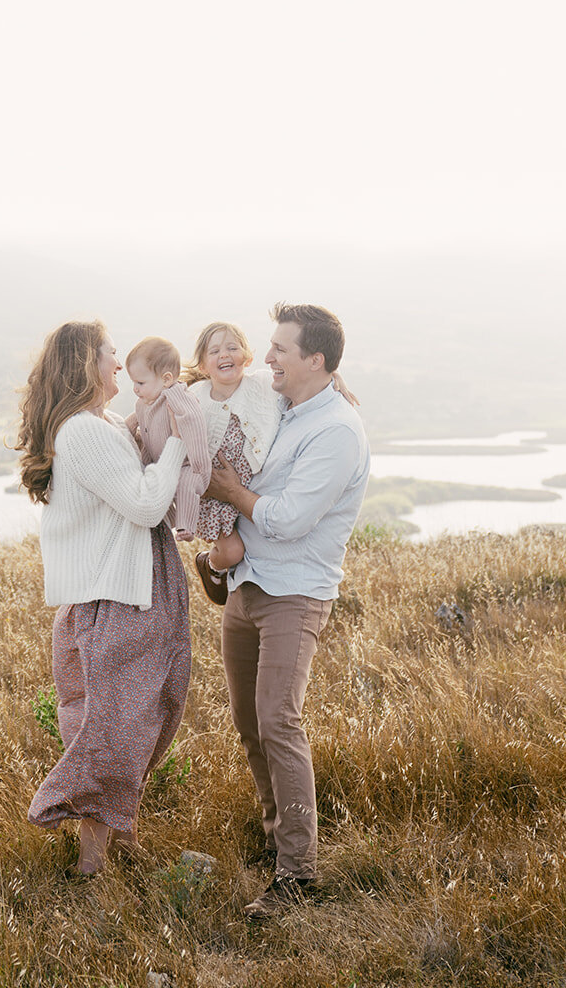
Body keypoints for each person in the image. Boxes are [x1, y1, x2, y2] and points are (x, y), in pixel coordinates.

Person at [202, 303, 370, 920]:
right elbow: (220, 390)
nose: (265, 357)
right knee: (249, 722)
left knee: (278, 720)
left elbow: (291, 519)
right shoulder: (284, 405)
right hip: (246, 585)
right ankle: (278, 837)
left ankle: (297, 875)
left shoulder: (336, 431)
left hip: (293, 594)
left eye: (279, 349)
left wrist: (230, 492)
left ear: (314, 360)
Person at [18, 320, 191, 876]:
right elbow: (145, 505)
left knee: (132, 721)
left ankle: (123, 837)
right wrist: (178, 445)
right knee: (113, 727)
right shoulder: (83, 432)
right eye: (111, 354)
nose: (119, 364)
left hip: (126, 592)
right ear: (85, 364)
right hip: (115, 598)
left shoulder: (104, 424)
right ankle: (92, 865)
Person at [181, 322, 281, 600]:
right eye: (214, 351)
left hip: (253, 487)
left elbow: (300, 380)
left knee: (260, 541)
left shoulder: (263, 384)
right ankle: (211, 565)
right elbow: (163, 418)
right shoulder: (194, 396)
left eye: (232, 348)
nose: (224, 354)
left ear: (247, 357)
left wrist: (334, 377)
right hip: (214, 493)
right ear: (203, 365)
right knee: (233, 551)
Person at [124, 336, 211, 538]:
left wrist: (199, 462)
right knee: (152, 485)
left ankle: (186, 526)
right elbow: (134, 420)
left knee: (186, 485)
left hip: (187, 463)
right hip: (159, 460)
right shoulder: (144, 401)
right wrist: (122, 431)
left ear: (166, 379)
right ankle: (165, 522)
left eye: (140, 382)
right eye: (133, 382)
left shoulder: (177, 395)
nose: (135, 388)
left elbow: (193, 421)